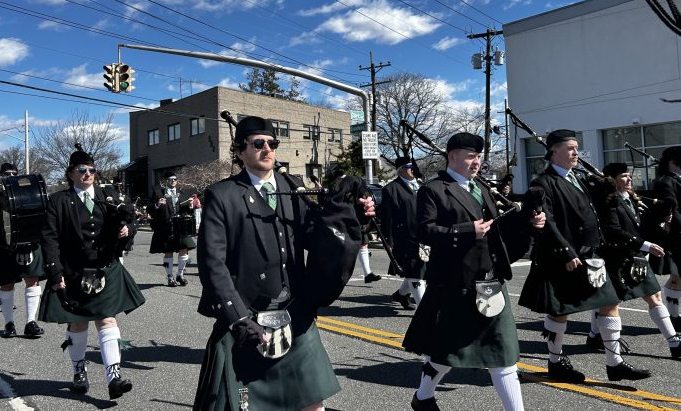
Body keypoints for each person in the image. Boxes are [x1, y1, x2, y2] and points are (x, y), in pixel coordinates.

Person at [193, 116, 374, 411]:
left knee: (313, 403)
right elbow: (213, 264)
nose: (267, 149)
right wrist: (238, 318)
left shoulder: (292, 187)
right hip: (249, 315)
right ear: (240, 151)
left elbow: (318, 237)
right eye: (258, 144)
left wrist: (354, 217)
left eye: (272, 144)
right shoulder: (222, 195)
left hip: (294, 311)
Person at [403, 133, 545, 411]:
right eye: (470, 156)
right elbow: (422, 230)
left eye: (479, 156)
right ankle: (422, 397)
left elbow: (497, 229)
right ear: (452, 156)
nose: (477, 161)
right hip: (457, 283)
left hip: (490, 281)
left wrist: (528, 221)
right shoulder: (433, 189)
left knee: (503, 354)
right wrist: (467, 230)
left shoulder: (480, 186)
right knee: (448, 351)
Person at [519, 130, 651, 383]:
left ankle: (615, 363)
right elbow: (549, 222)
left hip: (592, 254)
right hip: (566, 257)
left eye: (576, 147)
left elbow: (600, 208)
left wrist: (609, 189)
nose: (575, 152)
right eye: (570, 148)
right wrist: (566, 252)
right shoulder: (543, 183)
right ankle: (556, 362)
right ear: (553, 151)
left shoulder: (579, 178)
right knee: (561, 312)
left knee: (610, 302)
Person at [38, 148, 144, 399]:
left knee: (107, 319)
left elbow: (130, 220)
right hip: (74, 270)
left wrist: (127, 229)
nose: (88, 174)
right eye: (82, 170)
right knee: (78, 323)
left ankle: (114, 377)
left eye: (92, 170)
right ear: (71, 174)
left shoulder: (109, 195)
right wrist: (55, 273)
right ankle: (78, 371)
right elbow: (49, 239)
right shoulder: (58, 201)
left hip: (105, 268)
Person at [585, 163, 680, 359]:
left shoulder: (632, 199)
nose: (629, 179)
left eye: (629, 175)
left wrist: (663, 225)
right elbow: (613, 230)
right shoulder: (608, 201)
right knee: (609, 302)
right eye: (624, 176)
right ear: (612, 179)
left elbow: (640, 227)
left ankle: (674, 342)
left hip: (634, 258)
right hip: (616, 258)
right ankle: (596, 337)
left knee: (654, 296)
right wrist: (645, 245)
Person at [0, 163, 45, 338]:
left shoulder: (26, 192)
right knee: (6, 283)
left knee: (32, 280)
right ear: (1, 176)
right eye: (7, 173)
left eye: (14, 173)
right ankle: (9, 324)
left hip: (27, 244)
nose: (11, 175)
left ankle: (31, 322)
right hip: (3, 247)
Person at [382, 156, 425, 310]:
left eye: (413, 165)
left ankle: (401, 295)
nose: (412, 169)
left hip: (425, 236)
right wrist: (389, 240)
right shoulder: (391, 189)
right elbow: (387, 218)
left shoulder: (422, 186)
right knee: (414, 271)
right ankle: (424, 310)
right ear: (400, 170)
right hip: (405, 237)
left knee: (420, 269)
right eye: (408, 166)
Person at [650, 146, 681, 331]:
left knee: (678, 276)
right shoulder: (664, 181)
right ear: (674, 162)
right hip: (674, 236)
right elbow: (671, 210)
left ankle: (674, 316)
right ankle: (674, 317)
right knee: (677, 275)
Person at [148, 172, 196, 287]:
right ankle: (170, 277)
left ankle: (180, 274)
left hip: (180, 226)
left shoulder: (181, 193)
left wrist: (190, 205)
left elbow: (187, 211)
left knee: (184, 249)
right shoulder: (158, 193)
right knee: (168, 252)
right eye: (170, 179)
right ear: (166, 181)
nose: (173, 181)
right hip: (165, 226)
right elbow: (150, 210)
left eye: (175, 179)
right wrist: (157, 205)